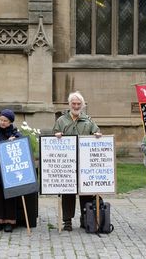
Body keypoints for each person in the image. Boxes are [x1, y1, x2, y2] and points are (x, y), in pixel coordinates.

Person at [52, 91, 102, 231]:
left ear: (83, 105)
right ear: (69, 105)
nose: (76, 106)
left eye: (78, 104)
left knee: (85, 191)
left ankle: (85, 219)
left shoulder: (88, 120)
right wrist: (56, 136)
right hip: (67, 163)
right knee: (67, 192)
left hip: (84, 162)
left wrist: (98, 135)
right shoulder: (61, 120)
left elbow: (97, 131)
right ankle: (67, 221)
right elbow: (52, 138)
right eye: (73, 103)